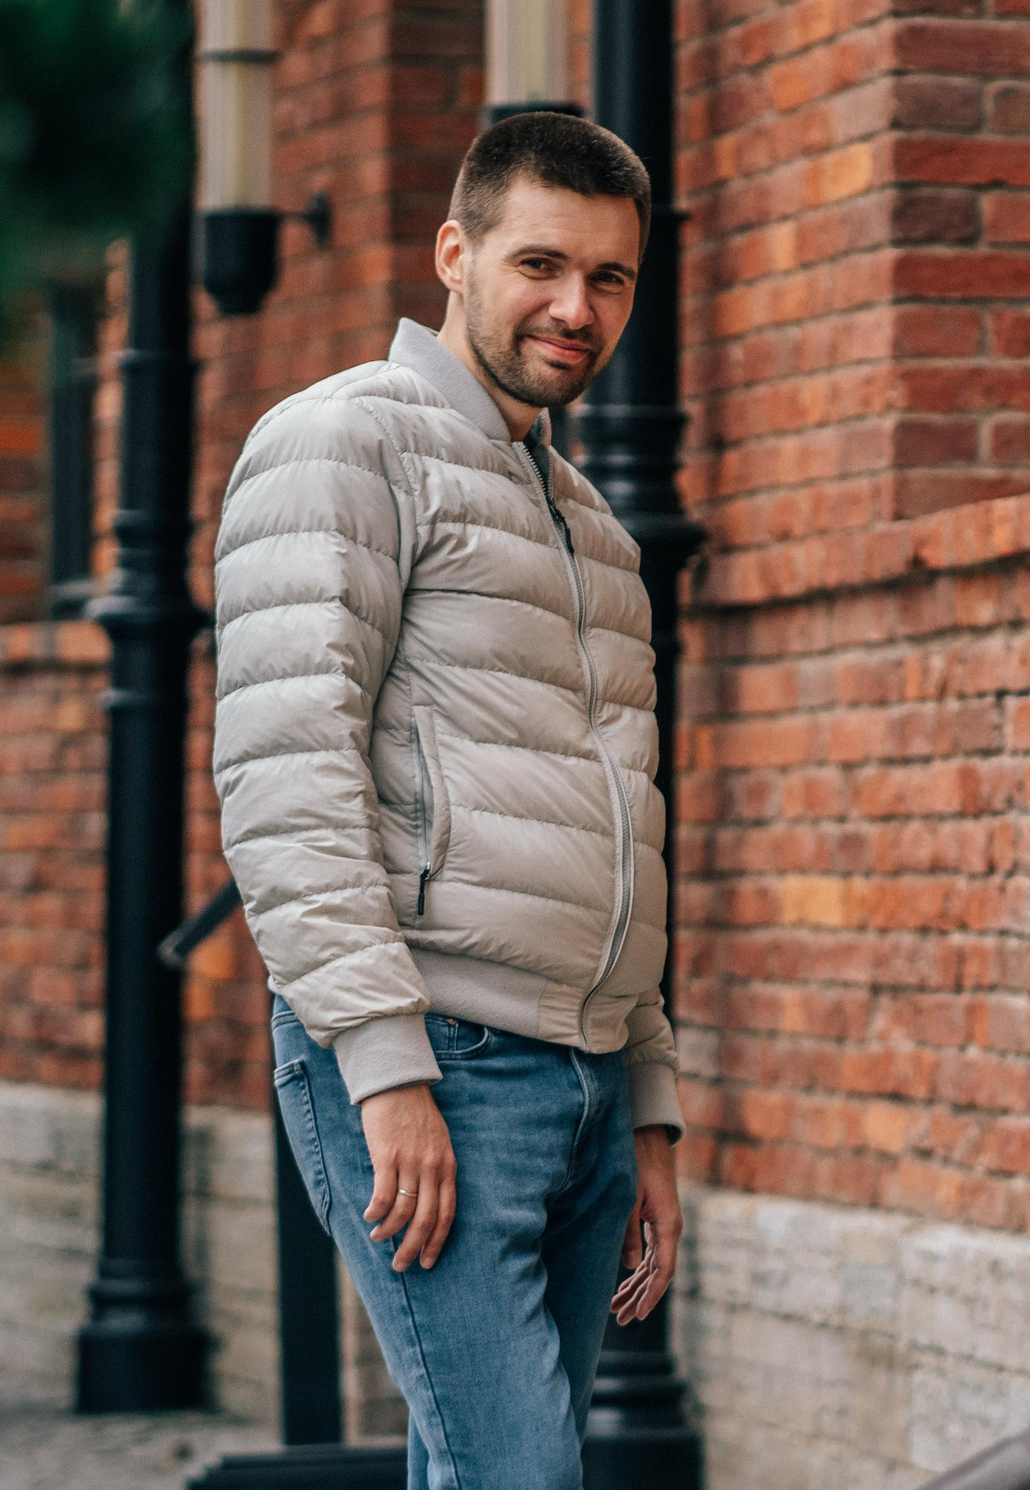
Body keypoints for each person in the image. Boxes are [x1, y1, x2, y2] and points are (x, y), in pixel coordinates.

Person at [210, 113, 681, 1490]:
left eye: (611, 277)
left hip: (587, 1077)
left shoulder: (593, 520)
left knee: (479, 1464)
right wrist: (383, 1061)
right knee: (516, 1471)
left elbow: (625, 817)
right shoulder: (346, 440)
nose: (575, 307)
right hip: (442, 1055)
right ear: (455, 253)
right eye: (541, 263)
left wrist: (646, 1099)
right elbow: (287, 770)